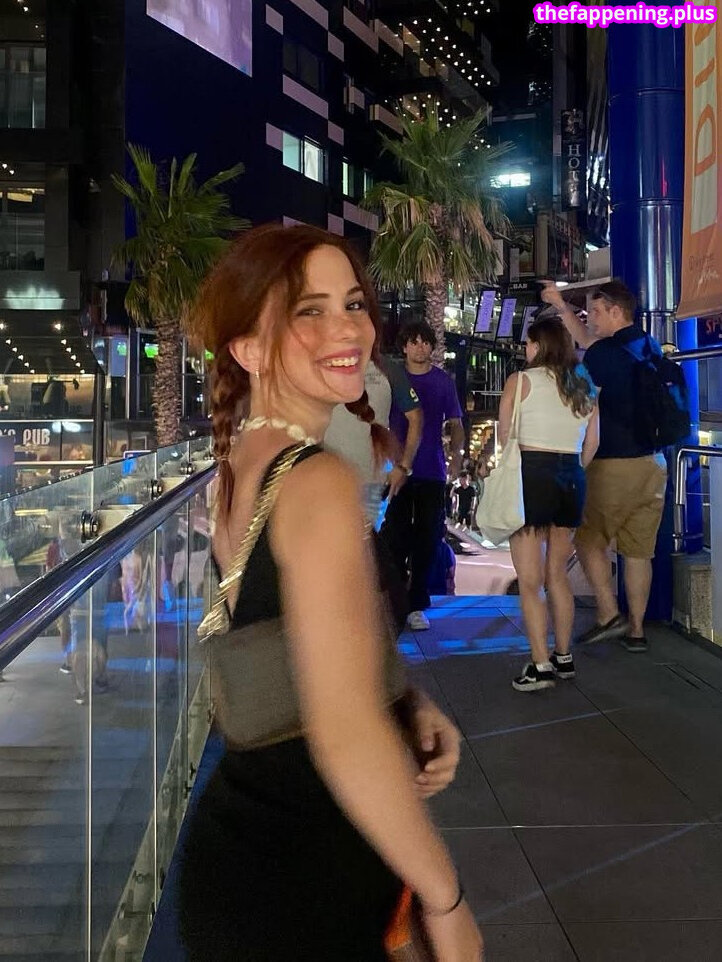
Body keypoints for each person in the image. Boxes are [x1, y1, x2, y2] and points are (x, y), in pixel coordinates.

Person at [180, 224, 483, 962]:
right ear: (248, 349)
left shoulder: (241, 462)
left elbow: (292, 642)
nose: (347, 328)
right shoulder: (315, 482)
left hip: (248, 853)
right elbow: (345, 733)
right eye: (307, 311)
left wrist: (403, 698)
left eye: (352, 303)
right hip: (303, 871)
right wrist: (447, 902)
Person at [542, 279, 668, 653]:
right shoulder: (650, 346)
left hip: (613, 464)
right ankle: (637, 631)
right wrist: (562, 307)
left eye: (596, 311)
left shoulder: (601, 357)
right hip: (654, 464)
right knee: (638, 551)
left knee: (587, 539)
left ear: (615, 311)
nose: (590, 318)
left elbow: (583, 401)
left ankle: (609, 613)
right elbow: (588, 339)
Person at [498, 318, 599, 692]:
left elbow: (505, 435)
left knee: (529, 580)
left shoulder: (520, 381)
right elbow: (593, 442)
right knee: (557, 573)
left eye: (528, 343)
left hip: (532, 473)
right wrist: (573, 469)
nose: (525, 350)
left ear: (539, 345)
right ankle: (563, 655)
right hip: (572, 477)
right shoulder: (584, 384)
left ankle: (540, 665)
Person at [383, 322, 465, 632]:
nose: (420, 347)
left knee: (428, 539)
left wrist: (457, 456)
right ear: (404, 347)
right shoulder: (392, 378)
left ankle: (417, 604)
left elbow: (456, 423)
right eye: (414, 342)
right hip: (395, 470)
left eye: (425, 342)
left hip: (432, 469)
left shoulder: (443, 381)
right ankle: (395, 602)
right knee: (396, 537)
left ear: (432, 346)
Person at [324, 356, 423, 530]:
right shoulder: (323, 363)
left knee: (363, 540)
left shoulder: (387, 369)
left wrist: (404, 466)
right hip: (327, 477)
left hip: (371, 479)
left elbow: (416, 416)